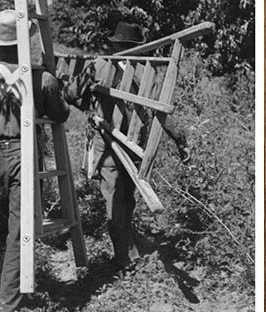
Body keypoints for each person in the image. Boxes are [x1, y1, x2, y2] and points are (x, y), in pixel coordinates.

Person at [0, 9, 70, 312]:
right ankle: (9, 296)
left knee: (2, 225)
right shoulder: (41, 78)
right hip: (24, 153)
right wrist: (53, 83)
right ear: (24, 43)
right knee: (17, 228)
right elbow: (61, 114)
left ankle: (7, 293)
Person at [64, 20, 191, 269]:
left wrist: (180, 139)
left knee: (127, 198)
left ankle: (127, 246)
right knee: (113, 198)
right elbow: (71, 94)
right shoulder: (101, 66)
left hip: (132, 145)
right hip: (107, 143)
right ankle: (123, 257)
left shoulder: (144, 72)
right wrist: (91, 110)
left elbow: (158, 111)